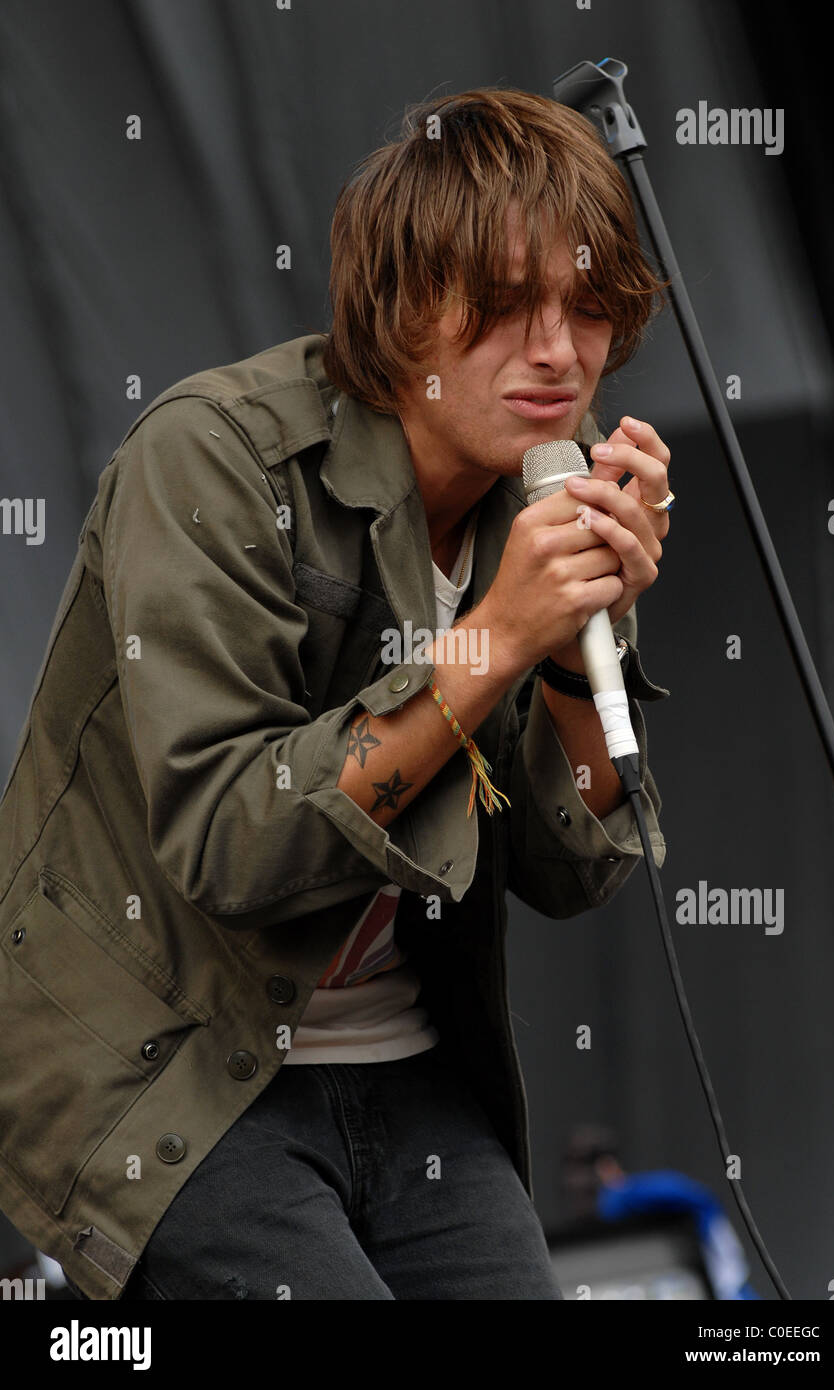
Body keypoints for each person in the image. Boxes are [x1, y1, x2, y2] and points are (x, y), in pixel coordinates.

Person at [0, 87, 672, 1301]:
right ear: (407, 307)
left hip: (410, 1068)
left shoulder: (542, 499)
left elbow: (579, 868)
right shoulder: (211, 455)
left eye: (589, 310)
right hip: (174, 1069)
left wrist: (574, 644)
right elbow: (226, 843)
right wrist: (492, 638)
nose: (559, 351)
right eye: (510, 306)